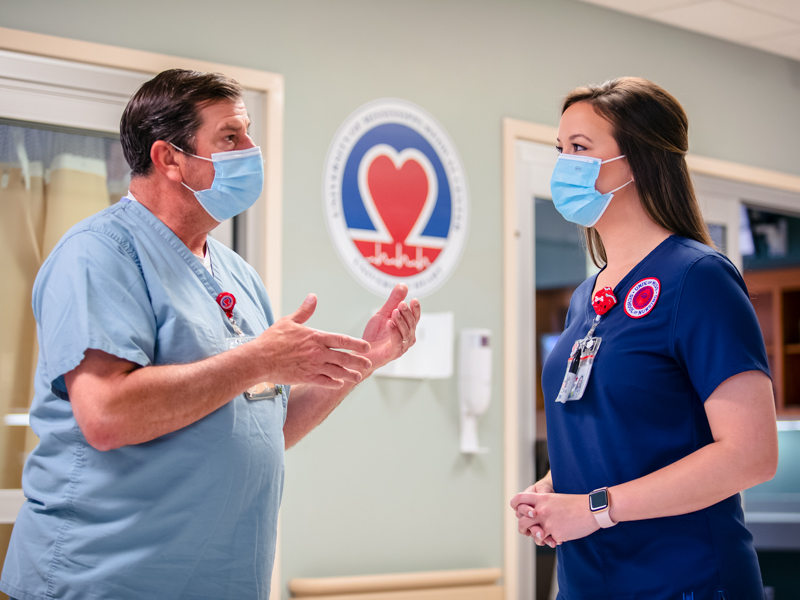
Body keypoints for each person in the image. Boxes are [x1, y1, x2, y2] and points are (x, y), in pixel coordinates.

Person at [0, 69, 420, 600]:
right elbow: (106, 415)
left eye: (247, 133)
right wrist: (257, 360)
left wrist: (366, 361)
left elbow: (268, 426)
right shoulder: (99, 254)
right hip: (103, 580)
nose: (251, 148)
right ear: (169, 158)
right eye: (230, 137)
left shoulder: (237, 275)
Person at [510, 77, 778, 599]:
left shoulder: (698, 278)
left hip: (684, 581)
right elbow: (613, 432)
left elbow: (751, 454)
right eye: (560, 150)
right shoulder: (587, 295)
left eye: (581, 150)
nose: (564, 165)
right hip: (588, 582)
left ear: (637, 160)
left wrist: (592, 509)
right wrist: (551, 489)